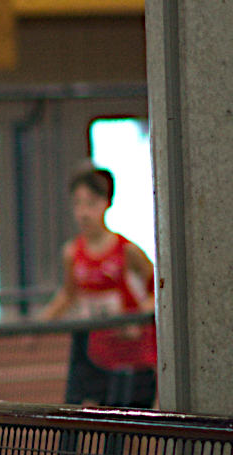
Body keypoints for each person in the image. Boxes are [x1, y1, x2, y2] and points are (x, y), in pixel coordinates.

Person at [39, 163, 157, 408]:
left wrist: (137, 316)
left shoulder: (127, 251)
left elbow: (157, 290)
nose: (83, 213)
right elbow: (69, 294)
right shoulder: (72, 253)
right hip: (99, 353)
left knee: (134, 430)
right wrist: (41, 324)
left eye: (91, 203)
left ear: (106, 203)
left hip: (132, 355)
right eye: (77, 204)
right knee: (94, 418)